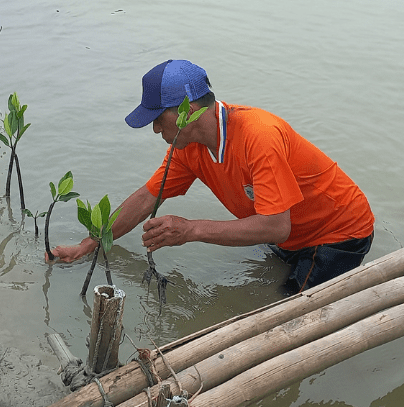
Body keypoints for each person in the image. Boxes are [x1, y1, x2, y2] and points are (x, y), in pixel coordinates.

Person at [50, 59, 375, 293]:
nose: (154, 128)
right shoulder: (186, 146)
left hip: (337, 232)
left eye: (158, 119)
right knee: (258, 285)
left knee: (283, 315)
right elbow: (146, 198)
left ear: (187, 112)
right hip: (289, 234)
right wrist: (89, 243)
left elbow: (277, 226)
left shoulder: (258, 136)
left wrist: (191, 230)